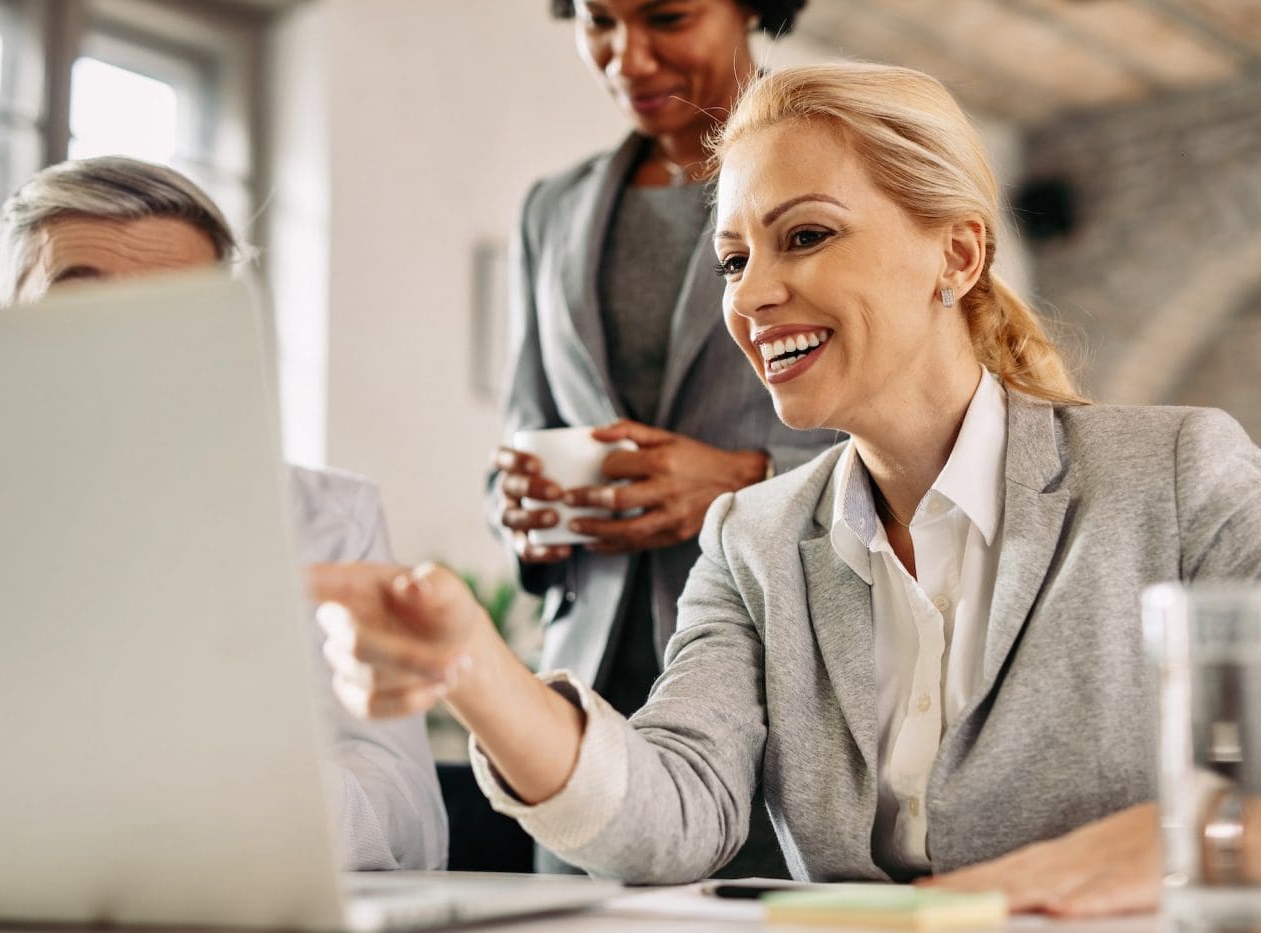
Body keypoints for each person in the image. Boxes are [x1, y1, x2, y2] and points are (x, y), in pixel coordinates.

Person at [312, 62, 1261, 915]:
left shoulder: (1176, 474)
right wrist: (475, 670)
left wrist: (1148, 849)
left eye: (804, 235)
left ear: (958, 255)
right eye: (733, 259)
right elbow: (674, 811)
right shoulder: (752, 538)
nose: (749, 296)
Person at [0, 155, 448, 871]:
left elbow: (413, 825)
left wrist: (243, 791)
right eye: (77, 307)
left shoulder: (326, 520)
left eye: (170, 320)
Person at [493, 0, 832, 873]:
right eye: (598, 19)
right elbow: (525, 423)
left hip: (778, 664)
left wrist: (745, 477)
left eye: (667, 17)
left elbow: (924, 419)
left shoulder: (838, 164)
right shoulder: (552, 209)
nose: (627, 58)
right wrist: (518, 510)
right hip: (589, 692)